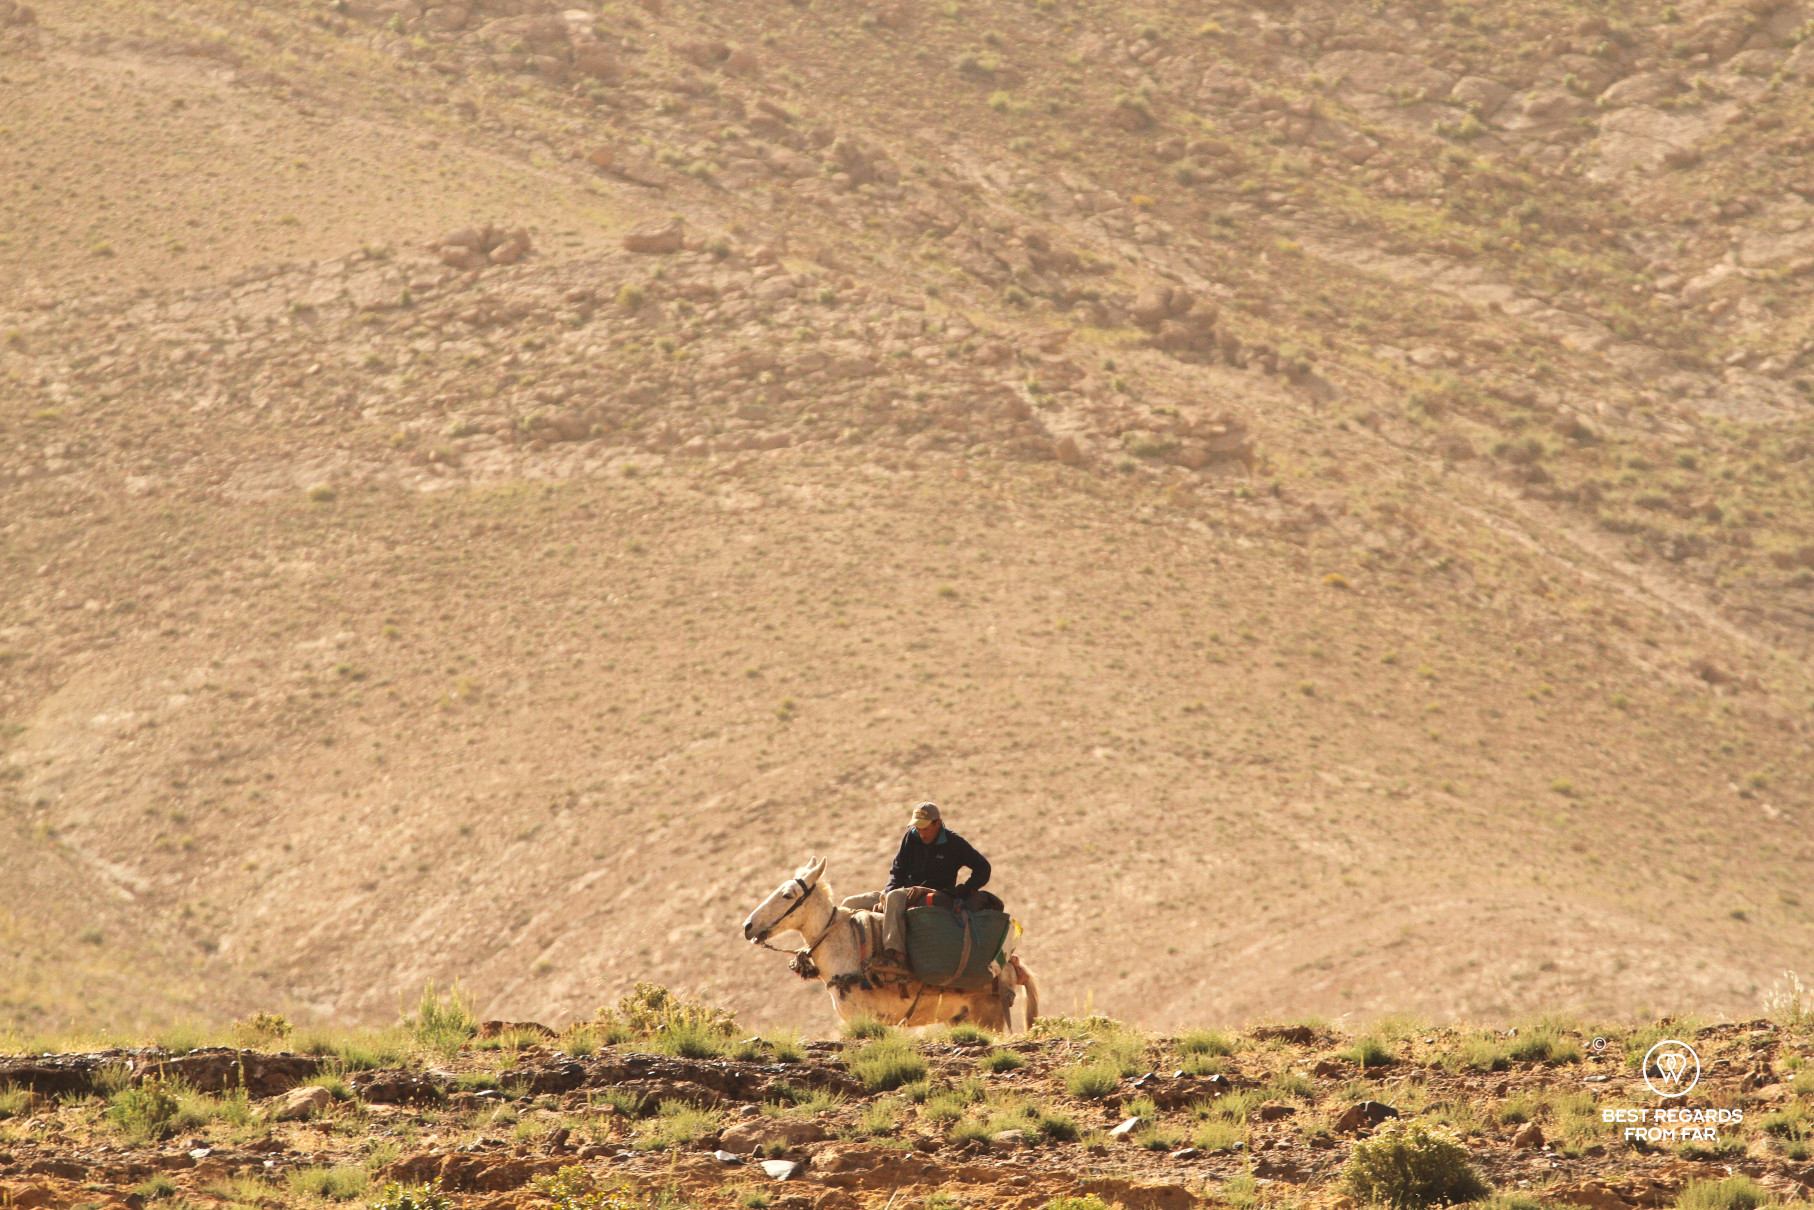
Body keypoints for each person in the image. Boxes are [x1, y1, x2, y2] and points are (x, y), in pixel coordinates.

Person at [843, 802, 992, 973]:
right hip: (903, 892)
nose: (921, 833)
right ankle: (850, 957)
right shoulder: (911, 837)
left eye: (925, 828)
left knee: (895, 897)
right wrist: (886, 894)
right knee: (849, 903)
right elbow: (897, 870)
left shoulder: (954, 843)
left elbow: (983, 868)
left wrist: (965, 890)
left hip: (932, 893)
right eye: (918, 828)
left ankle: (896, 955)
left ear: (938, 823)